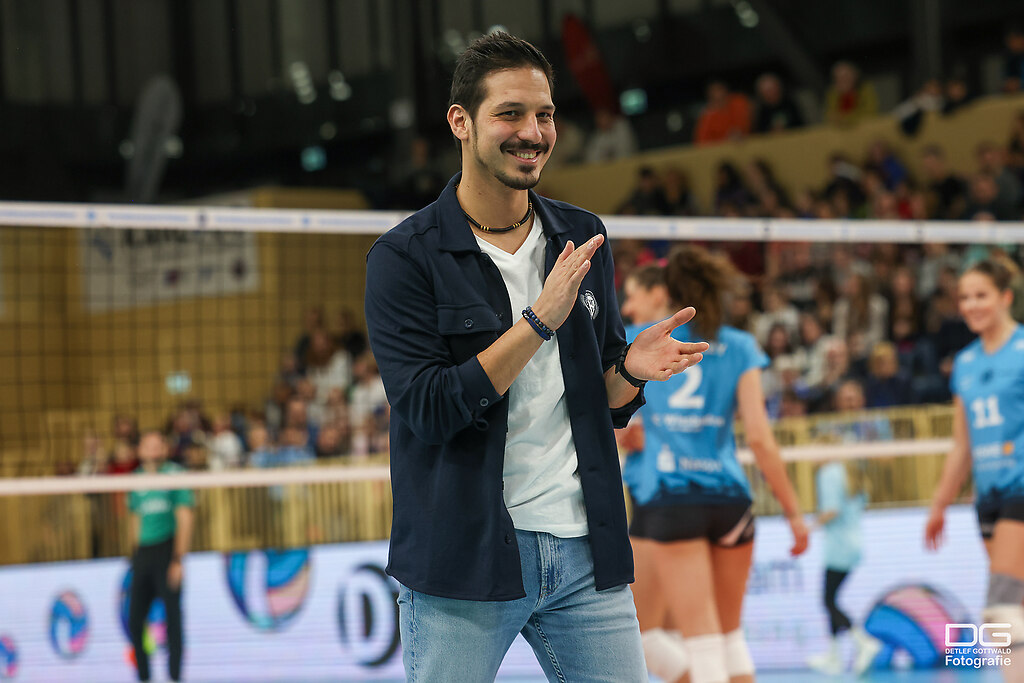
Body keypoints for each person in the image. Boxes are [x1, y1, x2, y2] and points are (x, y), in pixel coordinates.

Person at [363, 31, 709, 683]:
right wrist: (538, 322)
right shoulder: (404, 258)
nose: (533, 132)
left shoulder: (582, 235)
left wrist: (630, 370)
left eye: (544, 114)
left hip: (585, 553)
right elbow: (431, 410)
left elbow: (602, 402)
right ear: (461, 122)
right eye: (511, 114)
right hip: (463, 562)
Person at [618, 247, 808, 683]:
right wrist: (794, 514)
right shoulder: (740, 346)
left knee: (697, 641)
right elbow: (759, 438)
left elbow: (614, 414)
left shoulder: (643, 340)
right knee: (728, 637)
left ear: (667, 291)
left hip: (673, 495)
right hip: (731, 499)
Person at [926, 258, 1024, 683]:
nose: (971, 305)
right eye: (964, 297)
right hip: (989, 498)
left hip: (1020, 488)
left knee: (1001, 607)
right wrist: (939, 504)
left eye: (981, 295)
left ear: (1006, 297)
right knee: (1017, 606)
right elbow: (962, 445)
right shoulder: (965, 363)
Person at [806, 380, 884, 676]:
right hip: (853, 543)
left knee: (828, 600)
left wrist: (809, 527)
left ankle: (862, 641)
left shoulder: (828, 471)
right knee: (831, 599)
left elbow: (831, 510)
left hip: (838, 546)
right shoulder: (849, 471)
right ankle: (834, 656)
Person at [127, 432, 195, 683]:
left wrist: (178, 559)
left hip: (168, 550)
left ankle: (174, 677)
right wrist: (134, 556)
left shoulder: (174, 474)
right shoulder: (135, 480)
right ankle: (144, 677)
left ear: (165, 449)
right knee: (134, 620)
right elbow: (134, 519)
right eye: (149, 446)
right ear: (140, 450)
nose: (154, 450)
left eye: (158, 445)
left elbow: (185, 516)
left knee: (173, 619)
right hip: (143, 553)